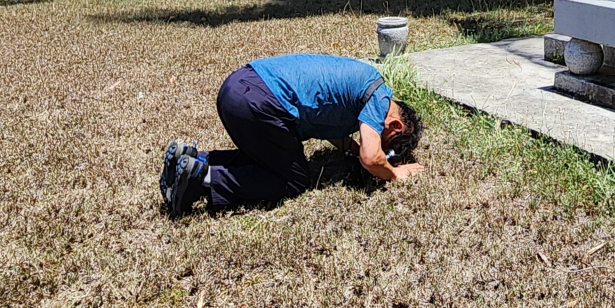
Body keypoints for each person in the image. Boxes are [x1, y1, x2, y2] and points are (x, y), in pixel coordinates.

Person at [160, 53, 424, 216]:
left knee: (269, 160)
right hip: (259, 102)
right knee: (294, 179)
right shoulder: (378, 95)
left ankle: (194, 160)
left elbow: (330, 127)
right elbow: (371, 157)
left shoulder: (363, 83)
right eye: (388, 144)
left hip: (238, 85)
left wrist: (352, 151)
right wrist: (393, 172)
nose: (382, 147)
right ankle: (203, 178)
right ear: (395, 126)